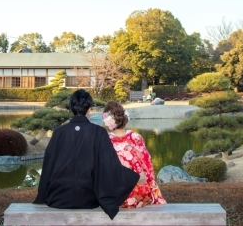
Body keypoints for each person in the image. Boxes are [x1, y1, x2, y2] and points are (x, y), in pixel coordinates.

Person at [34, 89, 142, 220]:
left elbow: (48, 165)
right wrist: (134, 177)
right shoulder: (98, 132)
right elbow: (110, 165)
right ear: (89, 109)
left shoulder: (59, 132)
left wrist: (43, 194)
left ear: (71, 107)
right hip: (88, 199)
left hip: (58, 197)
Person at [102, 101, 167, 208]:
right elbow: (147, 166)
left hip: (115, 194)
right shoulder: (136, 137)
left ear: (107, 121)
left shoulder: (105, 140)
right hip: (138, 191)